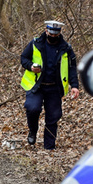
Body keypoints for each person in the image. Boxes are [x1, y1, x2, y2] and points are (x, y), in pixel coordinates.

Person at [20, 20, 80, 149]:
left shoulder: (66, 48)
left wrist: (74, 85)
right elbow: (23, 58)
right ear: (46, 31)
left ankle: (49, 146)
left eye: (56, 34)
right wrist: (30, 66)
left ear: (59, 33)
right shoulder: (36, 43)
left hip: (54, 87)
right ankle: (33, 131)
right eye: (51, 34)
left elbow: (72, 68)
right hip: (36, 85)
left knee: (53, 116)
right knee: (32, 108)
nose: (53, 36)